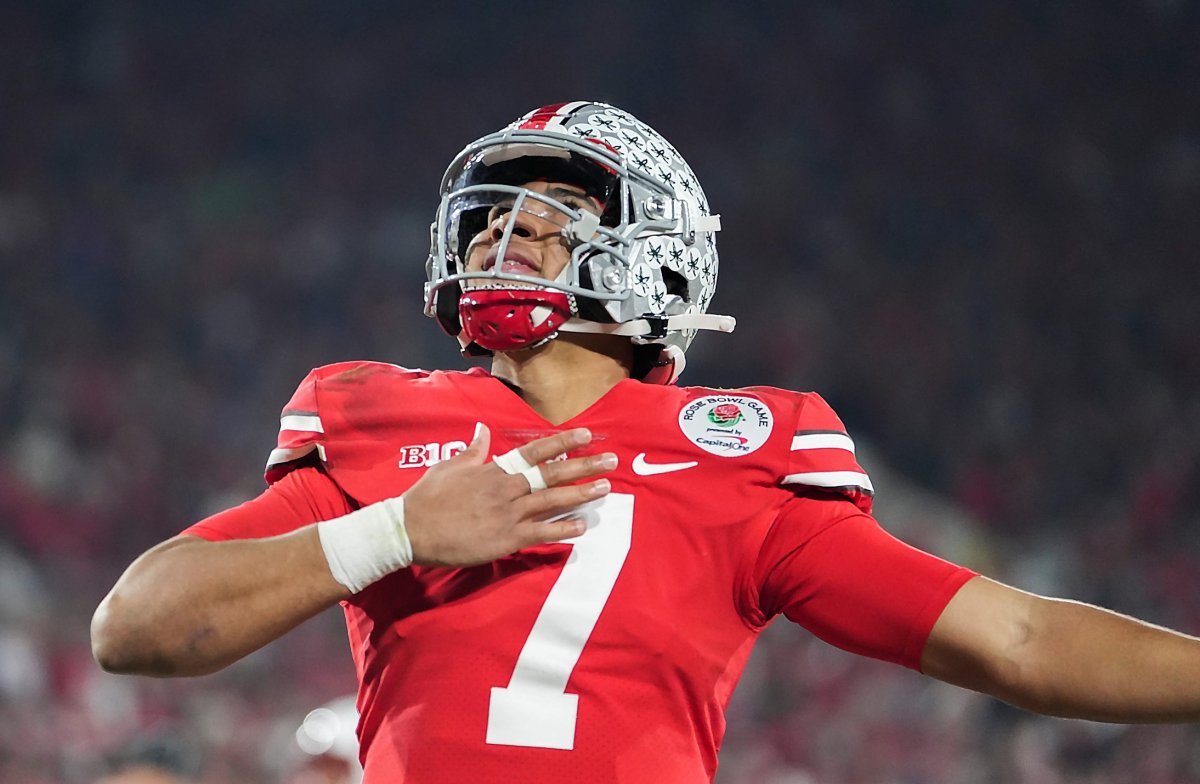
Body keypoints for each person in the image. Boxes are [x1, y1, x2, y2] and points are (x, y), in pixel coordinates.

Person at [91, 101, 1200, 783]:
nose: (501, 226)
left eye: (550, 205)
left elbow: (1013, 640)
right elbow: (133, 628)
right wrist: (396, 530)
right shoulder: (375, 415)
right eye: (491, 208)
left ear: (652, 253)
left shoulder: (749, 449)